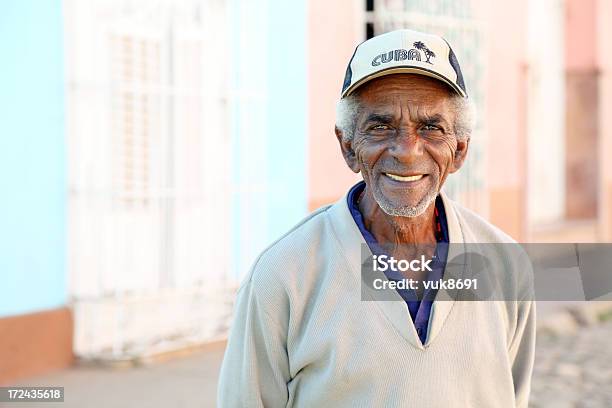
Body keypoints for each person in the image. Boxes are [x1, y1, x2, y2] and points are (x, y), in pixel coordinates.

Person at [218, 28, 535, 408]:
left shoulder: (506, 265)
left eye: (431, 127)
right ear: (348, 146)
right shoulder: (283, 275)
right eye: (381, 126)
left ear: (460, 149)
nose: (406, 150)